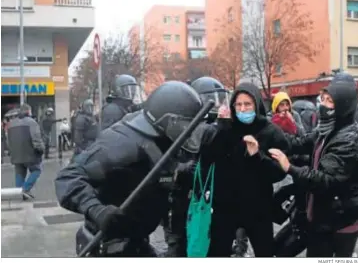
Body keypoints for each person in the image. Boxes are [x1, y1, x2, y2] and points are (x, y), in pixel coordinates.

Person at [55, 81, 205, 257]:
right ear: (168, 120)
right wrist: (96, 210)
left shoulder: (163, 139)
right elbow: (68, 177)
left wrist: (181, 173)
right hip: (106, 248)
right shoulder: (120, 145)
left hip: (137, 242)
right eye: (185, 126)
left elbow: (157, 173)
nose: (189, 133)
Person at [269, 78, 358, 257]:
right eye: (323, 99)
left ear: (344, 105)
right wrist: (268, 134)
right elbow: (300, 142)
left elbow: (324, 179)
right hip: (320, 217)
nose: (323, 105)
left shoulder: (349, 137)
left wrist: (289, 167)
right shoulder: (327, 128)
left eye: (330, 101)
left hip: (340, 222)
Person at [190, 82, 289, 257]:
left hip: (259, 208)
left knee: (264, 252)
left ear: (257, 104)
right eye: (238, 104)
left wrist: (257, 156)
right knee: (218, 252)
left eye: (248, 104)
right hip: (225, 208)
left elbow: (279, 172)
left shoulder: (271, 132)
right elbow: (207, 158)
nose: (242, 109)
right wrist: (221, 128)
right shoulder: (227, 127)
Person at [162, 76, 230, 257]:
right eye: (212, 99)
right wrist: (182, 169)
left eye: (220, 98)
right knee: (180, 246)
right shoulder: (184, 128)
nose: (218, 104)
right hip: (183, 201)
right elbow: (167, 166)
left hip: (209, 200)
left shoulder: (217, 128)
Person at [7, 104, 44, 200]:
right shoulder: (31, 122)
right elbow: (36, 138)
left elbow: (8, 141)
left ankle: (20, 193)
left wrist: (12, 151)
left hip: (16, 154)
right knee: (36, 170)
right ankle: (25, 189)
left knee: (19, 173)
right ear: (28, 111)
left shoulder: (11, 124)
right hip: (30, 153)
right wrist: (41, 149)